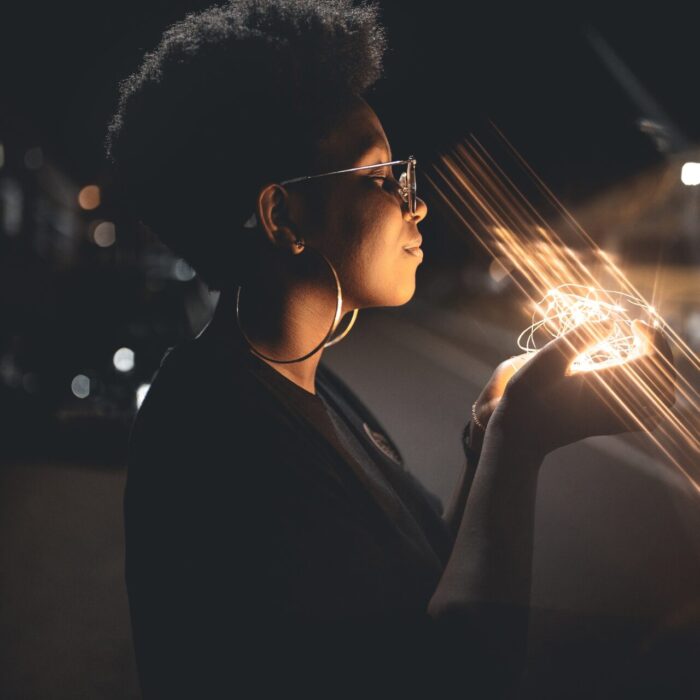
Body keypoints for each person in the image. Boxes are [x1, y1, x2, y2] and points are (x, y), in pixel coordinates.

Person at [105, 1, 676, 697]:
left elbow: (431, 576)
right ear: (283, 217)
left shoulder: (301, 383)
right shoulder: (210, 438)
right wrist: (519, 443)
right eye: (380, 178)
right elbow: (454, 674)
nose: (417, 203)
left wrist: (486, 433)